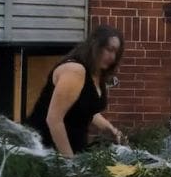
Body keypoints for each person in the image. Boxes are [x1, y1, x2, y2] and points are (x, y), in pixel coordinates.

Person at [25, 26, 127, 158]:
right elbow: (54, 119)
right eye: (109, 50)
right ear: (95, 46)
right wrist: (70, 163)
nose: (113, 57)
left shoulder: (96, 74)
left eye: (116, 53)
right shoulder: (75, 71)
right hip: (45, 151)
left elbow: (84, 109)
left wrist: (111, 130)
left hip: (74, 150)